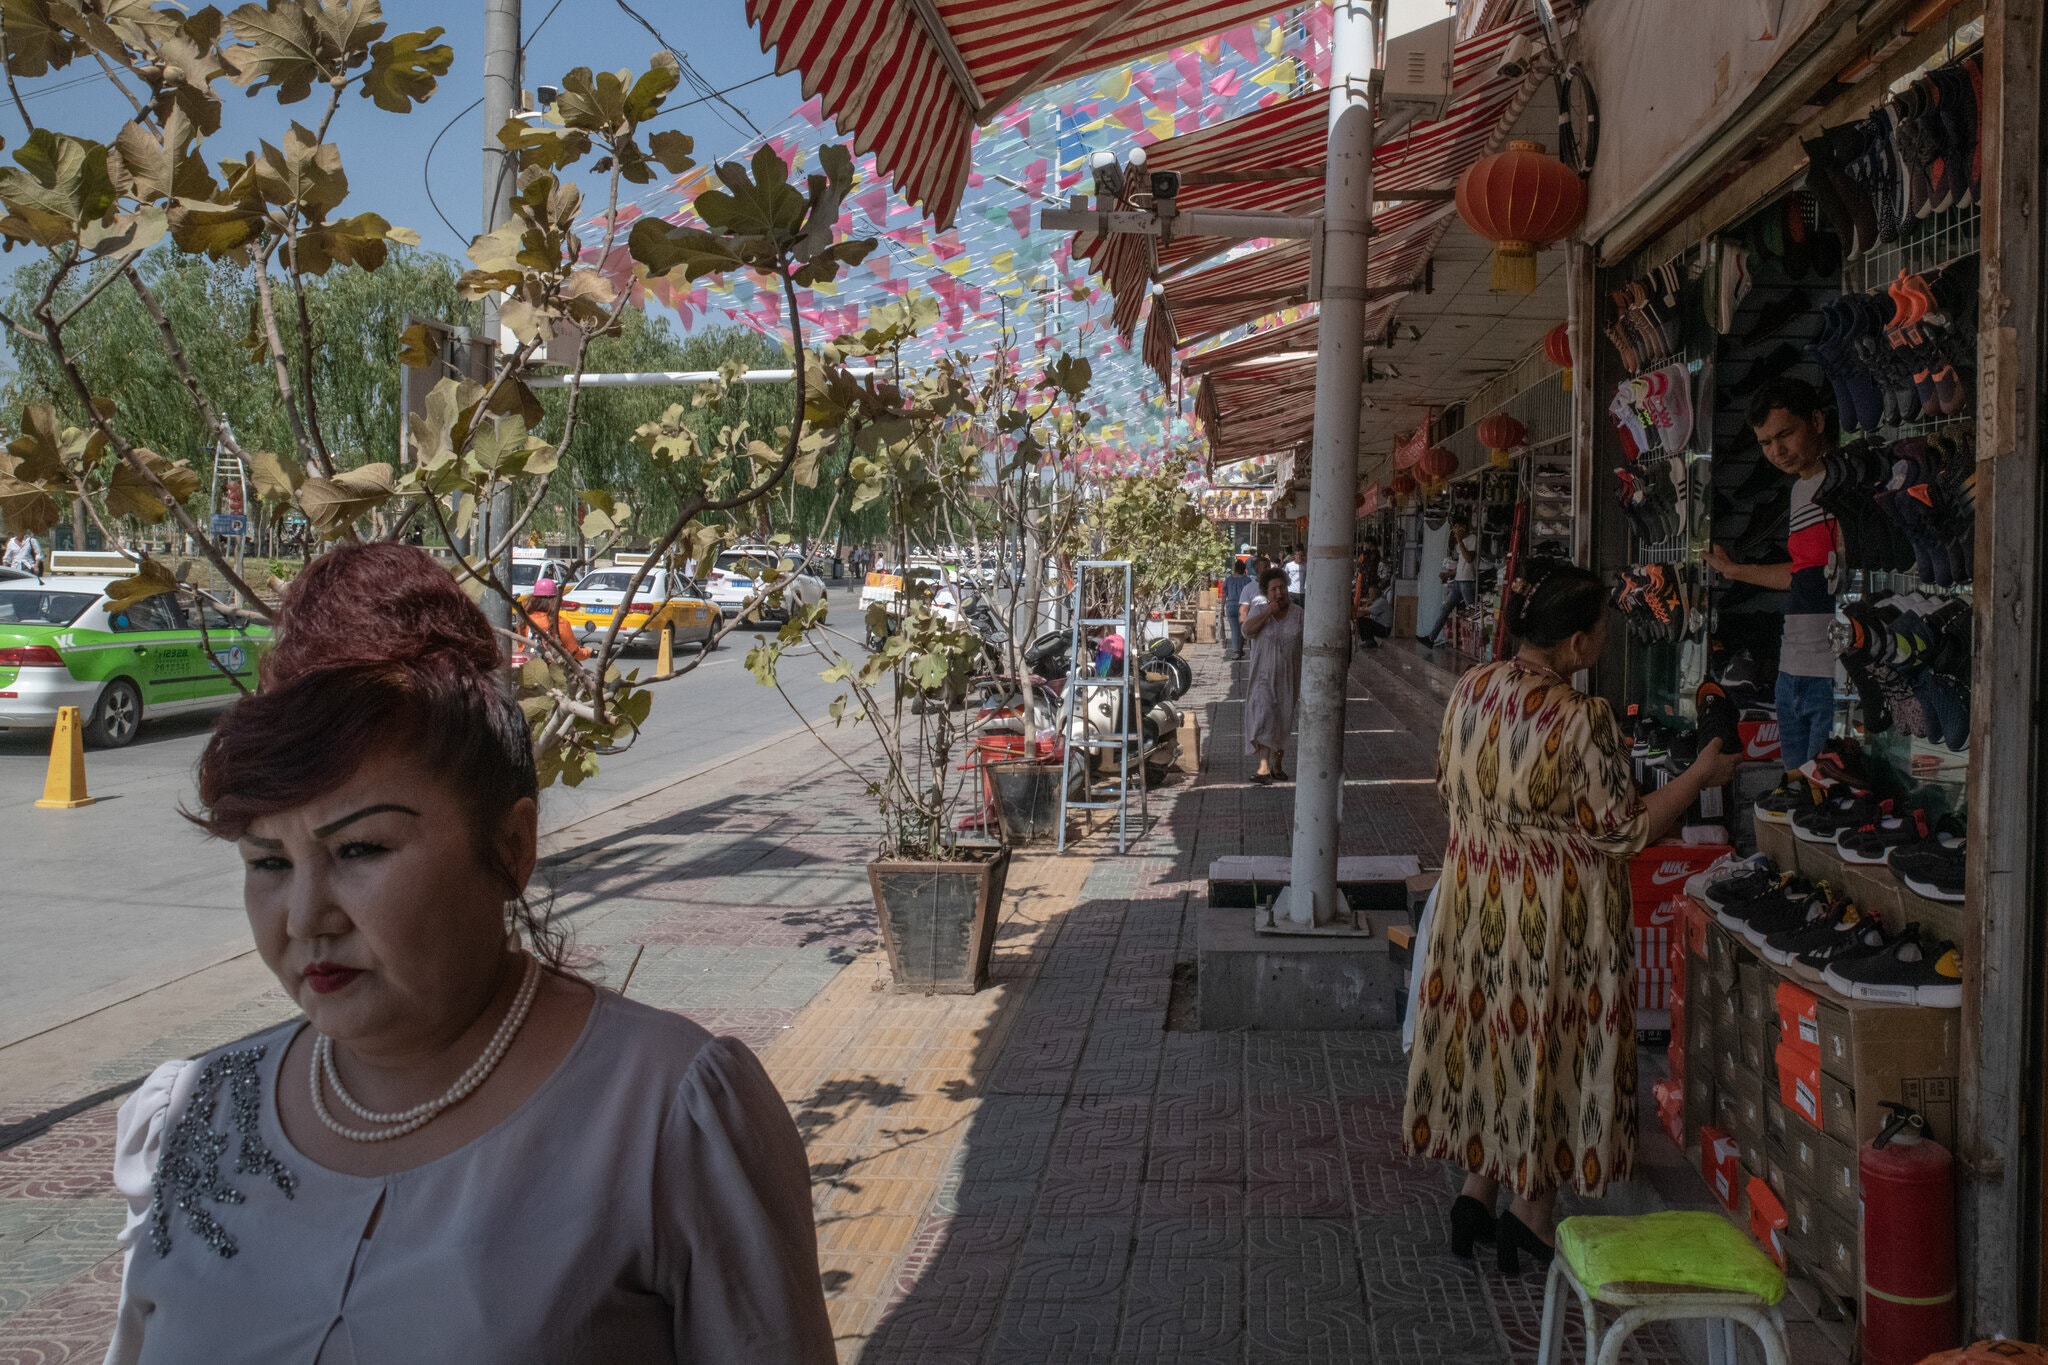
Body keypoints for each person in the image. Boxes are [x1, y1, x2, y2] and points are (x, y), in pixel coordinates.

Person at [103, 544, 835, 1364]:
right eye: (267, 862)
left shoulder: (670, 1117)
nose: (306, 915)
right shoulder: (193, 1118)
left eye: (360, 849)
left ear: (511, 845)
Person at [1402, 558, 1741, 1273]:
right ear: (1579, 644)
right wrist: (1701, 774)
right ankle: (1534, 1212)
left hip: (1473, 905)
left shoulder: (1473, 687)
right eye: (1601, 632)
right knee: (1549, 1050)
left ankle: (1476, 1190)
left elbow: (1447, 785)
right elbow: (1624, 829)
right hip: (1552, 920)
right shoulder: (1579, 717)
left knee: (1493, 1041)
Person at [1704, 377, 1839, 784]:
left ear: (1816, 421)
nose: (1776, 451)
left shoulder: (1844, 484)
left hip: (1832, 674)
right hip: (1792, 668)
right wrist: (1734, 572)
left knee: (1828, 796)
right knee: (1799, 795)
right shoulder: (1800, 490)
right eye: (1764, 443)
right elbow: (1803, 575)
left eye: (1785, 434)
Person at [1240, 565, 1303, 783]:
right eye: (1274, 589)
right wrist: (1269, 612)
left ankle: (1278, 765)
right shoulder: (1259, 610)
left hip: (1288, 677)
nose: (1279, 592)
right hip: (1263, 678)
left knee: (1283, 720)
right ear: (1266, 592)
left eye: (1282, 587)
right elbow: (1246, 631)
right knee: (1263, 717)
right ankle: (1263, 768)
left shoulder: (1298, 614)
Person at [1421, 517, 1477, 647]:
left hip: (1468, 581)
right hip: (1458, 580)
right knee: (1445, 608)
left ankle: (1475, 645)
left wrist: (1459, 540)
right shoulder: (1460, 543)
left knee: (1472, 613)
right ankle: (1431, 638)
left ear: (1463, 527)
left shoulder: (1472, 539)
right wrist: (1448, 574)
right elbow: (1461, 564)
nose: (1455, 530)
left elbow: (1469, 559)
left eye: (1457, 528)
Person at [523, 577, 591, 662]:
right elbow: (574, 652)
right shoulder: (560, 623)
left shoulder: (525, 620)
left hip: (525, 664)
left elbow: (520, 645)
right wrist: (587, 651)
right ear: (556, 600)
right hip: (550, 668)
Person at [1220, 556, 1253, 660]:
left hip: (1230, 606)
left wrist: (1222, 608)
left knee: (1234, 630)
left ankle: (1236, 651)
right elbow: (1251, 595)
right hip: (1243, 607)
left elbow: (1224, 594)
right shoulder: (1247, 580)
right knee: (1244, 629)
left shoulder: (1228, 580)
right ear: (1244, 569)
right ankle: (1244, 648)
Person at [1355, 583, 1392, 649]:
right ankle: (1369, 640)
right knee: (1364, 620)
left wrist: (1352, 614)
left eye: (1370, 593)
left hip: (1384, 630)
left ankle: (1370, 641)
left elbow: (1363, 613)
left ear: (1375, 594)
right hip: (1381, 627)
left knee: (1363, 620)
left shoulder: (1381, 602)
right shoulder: (1378, 601)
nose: (1368, 595)